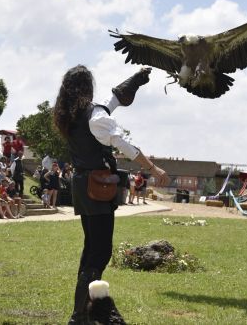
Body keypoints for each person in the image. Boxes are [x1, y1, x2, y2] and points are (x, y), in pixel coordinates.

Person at [53, 65, 169, 324]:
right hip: (97, 188)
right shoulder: (95, 116)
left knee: (91, 249)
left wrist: (136, 81)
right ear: (87, 86)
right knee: (100, 251)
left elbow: (114, 98)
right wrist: (152, 167)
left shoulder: (70, 116)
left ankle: (82, 313)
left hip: (83, 187)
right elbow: (123, 144)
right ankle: (80, 315)